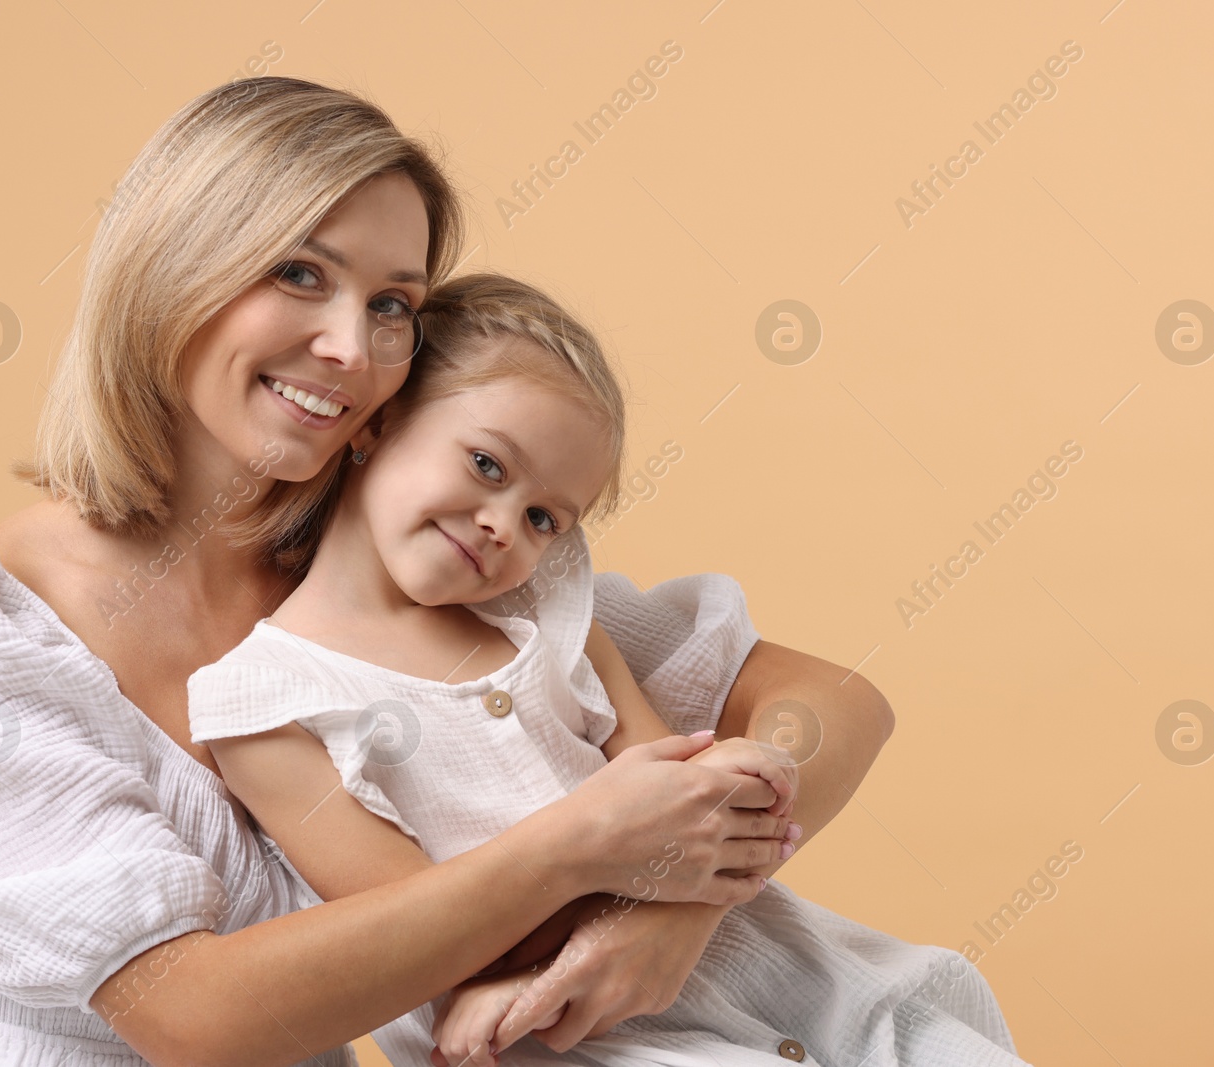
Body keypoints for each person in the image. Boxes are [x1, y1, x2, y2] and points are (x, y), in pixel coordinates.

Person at [0, 76, 895, 1067]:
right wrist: (583, 848)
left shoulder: (421, 555)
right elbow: (190, 1013)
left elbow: (827, 707)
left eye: (392, 303)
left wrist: (668, 914)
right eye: (300, 272)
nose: (352, 346)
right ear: (171, 268)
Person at [186, 272, 1029, 1067]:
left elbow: (688, 792)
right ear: (374, 425)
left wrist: (735, 785)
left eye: (546, 516)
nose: (501, 525)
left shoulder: (547, 616)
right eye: (485, 464)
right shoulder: (268, 703)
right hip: (584, 1035)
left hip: (806, 980)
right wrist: (649, 852)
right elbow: (435, 935)